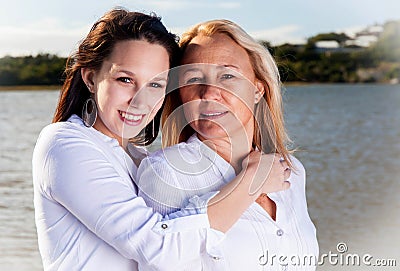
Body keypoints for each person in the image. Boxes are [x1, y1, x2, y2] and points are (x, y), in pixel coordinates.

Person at [32, 9, 290, 271]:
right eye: (125, 79)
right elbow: (160, 248)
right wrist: (251, 182)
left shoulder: (136, 158)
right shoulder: (64, 143)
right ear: (90, 78)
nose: (140, 99)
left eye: (155, 84)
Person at [137, 19, 319, 270]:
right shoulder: (166, 172)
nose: (209, 93)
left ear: (258, 89)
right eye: (193, 78)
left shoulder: (292, 171)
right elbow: (159, 258)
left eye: (227, 75)